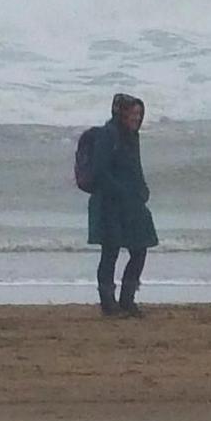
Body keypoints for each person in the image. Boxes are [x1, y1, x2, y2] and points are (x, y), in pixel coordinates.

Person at [81, 94, 157, 317]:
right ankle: (108, 303)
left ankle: (127, 299)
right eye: (132, 113)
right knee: (110, 251)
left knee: (140, 248)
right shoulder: (108, 135)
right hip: (108, 203)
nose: (137, 118)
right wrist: (121, 192)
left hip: (131, 202)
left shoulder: (133, 136)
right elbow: (99, 171)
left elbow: (134, 166)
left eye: (139, 114)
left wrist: (142, 188)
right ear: (120, 113)